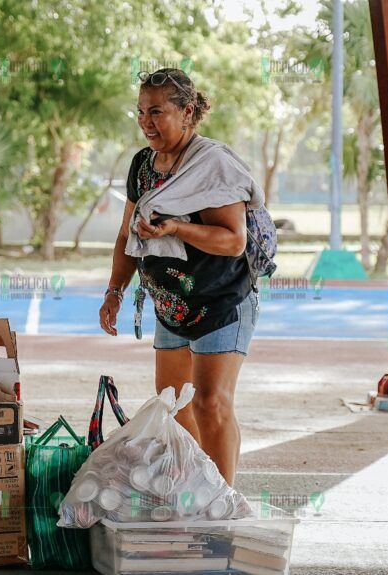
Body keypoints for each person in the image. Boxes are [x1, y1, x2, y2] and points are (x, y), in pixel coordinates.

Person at [98, 68, 262, 486]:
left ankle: (223, 501)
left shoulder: (212, 163)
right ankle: (198, 486)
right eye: (140, 112)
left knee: (210, 403)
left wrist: (176, 228)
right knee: (173, 404)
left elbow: (233, 241)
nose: (146, 122)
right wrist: (114, 290)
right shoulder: (142, 164)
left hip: (222, 300)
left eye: (156, 112)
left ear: (187, 112)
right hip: (172, 305)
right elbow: (126, 233)